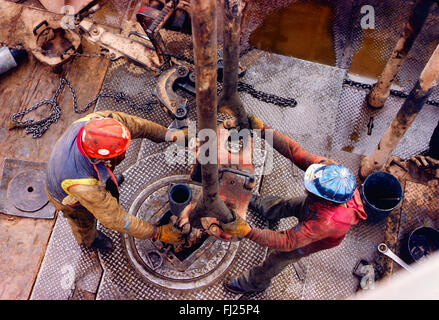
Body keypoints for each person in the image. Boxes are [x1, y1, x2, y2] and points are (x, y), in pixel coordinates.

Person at [218, 115, 368, 294]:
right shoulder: (329, 171)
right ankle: (262, 206)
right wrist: (263, 130)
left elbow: (287, 241)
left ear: (324, 199)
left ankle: (254, 284)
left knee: (279, 258)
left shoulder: (326, 223)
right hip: (315, 209)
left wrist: (247, 231)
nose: (306, 187)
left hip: (318, 236)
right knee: (288, 205)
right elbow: (294, 151)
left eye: (311, 189)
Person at [45, 110, 186, 251]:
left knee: (104, 183)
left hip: (81, 172)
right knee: (83, 221)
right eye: (121, 153)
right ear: (102, 159)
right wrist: (157, 232)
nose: (125, 153)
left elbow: (141, 126)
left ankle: (106, 184)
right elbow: (114, 219)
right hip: (67, 197)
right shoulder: (85, 186)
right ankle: (89, 241)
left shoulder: (105, 124)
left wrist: (171, 135)